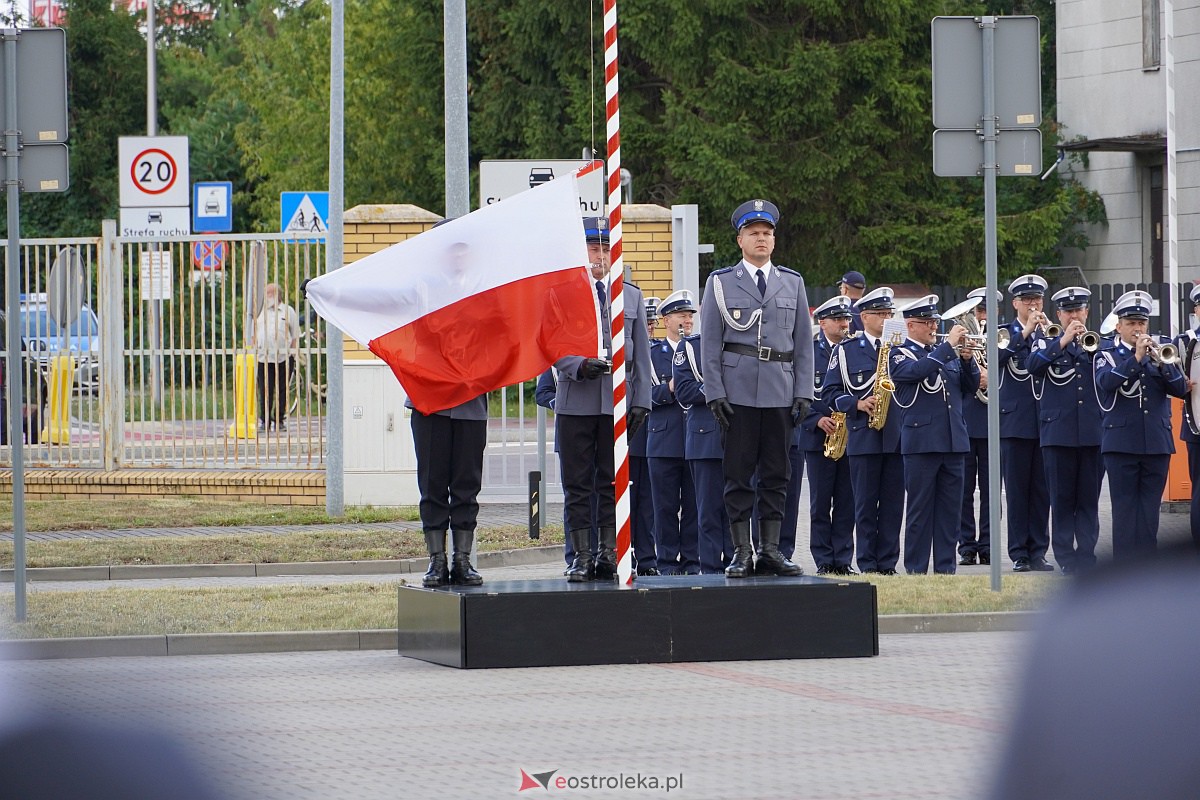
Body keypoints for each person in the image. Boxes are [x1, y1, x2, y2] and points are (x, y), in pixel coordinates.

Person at [700, 199, 814, 578]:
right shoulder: (720, 283)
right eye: (754, 233)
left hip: (780, 392)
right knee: (737, 474)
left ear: (774, 240)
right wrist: (714, 392)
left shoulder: (792, 282)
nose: (761, 239)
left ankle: (770, 550)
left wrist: (804, 392)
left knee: (777, 474)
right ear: (740, 240)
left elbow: (803, 344)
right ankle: (741, 551)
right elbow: (711, 343)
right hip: (737, 393)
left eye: (767, 233)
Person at [555, 216, 652, 582]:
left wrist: (641, 400)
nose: (599, 255)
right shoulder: (564, 293)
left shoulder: (631, 295)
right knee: (578, 485)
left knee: (611, 483)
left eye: (605, 248)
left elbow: (641, 354)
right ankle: (581, 555)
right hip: (576, 400)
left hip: (615, 405)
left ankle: (609, 553)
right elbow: (550, 343)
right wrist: (578, 366)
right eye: (593, 248)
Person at [1094, 290, 1187, 560]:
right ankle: (1124, 571)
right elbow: (1106, 383)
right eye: (1132, 323)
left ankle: (1147, 569)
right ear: (1119, 326)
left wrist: (1163, 364)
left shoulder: (1160, 349)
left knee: (1149, 511)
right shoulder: (1106, 353)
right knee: (1124, 510)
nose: (1138, 329)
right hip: (1121, 443)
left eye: (1142, 323)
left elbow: (1181, 389)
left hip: (1156, 442)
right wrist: (1135, 358)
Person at [889, 295, 979, 574]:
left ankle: (945, 569)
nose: (932, 327)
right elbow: (916, 372)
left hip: (953, 441)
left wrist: (966, 361)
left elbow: (969, 386)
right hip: (921, 444)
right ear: (911, 325)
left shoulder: (944, 351)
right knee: (919, 512)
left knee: (950, 512)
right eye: (927, 323)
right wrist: (949, 348)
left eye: (934, 322)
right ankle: (916, 569)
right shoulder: (899, 353)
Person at [822, 286, 905, 575]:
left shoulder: (900, 347)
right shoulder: (845, 351)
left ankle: (889, 564)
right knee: (865, 505)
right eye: (880, 314)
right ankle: (868, 563)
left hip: (896, 435)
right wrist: (857, 403)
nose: (886, 319)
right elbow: (829, 391)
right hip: (863, 435)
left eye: (889, 313)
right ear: (865, 317)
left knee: (894, 506)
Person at [1027, 287, 1104, 574]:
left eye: (1079, 310)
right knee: (1061, 501)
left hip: (1091, 434)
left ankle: (1086, 556)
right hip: (1057, 435)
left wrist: (1083, 344)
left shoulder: (1098, 343)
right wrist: (1062, 340)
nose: (1074, 316)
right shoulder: (1045, 342)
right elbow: (1032, 366)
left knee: (1088, 501)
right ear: (1059, 314)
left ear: (1087, 312)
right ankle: (1065, 558)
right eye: (1068, 311)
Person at [996, 274, 1053, 572]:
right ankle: (1019, 552)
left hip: (1045, 420)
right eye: (1028, 300)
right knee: (1017, 491)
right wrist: (1025, 333)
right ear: (1015, 302)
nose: (1033, 305)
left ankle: (1038, 550)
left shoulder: (1049, 333)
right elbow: (995, 359)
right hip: (1014, 422)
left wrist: (1043, 334)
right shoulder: (1003, 332)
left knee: (1041, 491)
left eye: (1038, 300)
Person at [798, 295, 856, 575]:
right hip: (818, 436)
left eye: (846, 318)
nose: (844, 324)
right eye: (837, 319)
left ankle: (843, 559)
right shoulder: (808, 352)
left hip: (851, 434)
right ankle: (823, 559)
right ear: (822, 323)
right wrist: (816, 419)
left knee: (847, 501)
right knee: (821, 503)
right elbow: (796, 392)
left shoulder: (853, 349)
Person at [673, 319, 733, 574]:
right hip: (705, 438)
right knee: (708, 511)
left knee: (738, 508)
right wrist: (721, 389)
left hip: (739, 436)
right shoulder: (689, 347)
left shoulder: (738, 344)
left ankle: (736, 561)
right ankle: (710, 568)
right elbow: (684, 391)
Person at [647, 289, 700, 574]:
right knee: (665, 507)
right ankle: (666, 563)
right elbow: (640, 392)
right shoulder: (653, 353)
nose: (687, 320)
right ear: (666, 320)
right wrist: (667, 390)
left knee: (694, 507)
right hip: (664, 438)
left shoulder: (700, 349)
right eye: (681, 315)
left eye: (690, 315)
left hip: (697, 439)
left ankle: (692, 562)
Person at [958, 286, 998, 565]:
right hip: (966, 420)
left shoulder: (1003, 336)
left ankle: (988, 545)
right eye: (979, 311)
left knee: (991, 490)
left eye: (987, 311)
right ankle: (966, 546)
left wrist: (990, 374)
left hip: (994, 423)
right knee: (963, 490)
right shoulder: (961, 335)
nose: (983, 316)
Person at [253, 282, 300, 432]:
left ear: (277, 295)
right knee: (265, 390)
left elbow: (295, 335)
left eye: (269, 294)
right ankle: (264, 420)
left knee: (282, 390)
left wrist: (292, 353)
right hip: (263, 357)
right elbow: (255, 332)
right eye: (266, 294)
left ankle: (279, 420)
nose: (267, 297)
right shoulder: (261, 311)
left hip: (284, 357)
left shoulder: (288, 311)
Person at [1174, 284, 1200, 549]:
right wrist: (1181, 383)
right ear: (1196, 310)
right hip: (1197, 426)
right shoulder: (1183, 341)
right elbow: (1171, 378)